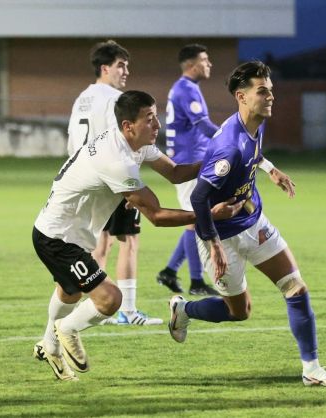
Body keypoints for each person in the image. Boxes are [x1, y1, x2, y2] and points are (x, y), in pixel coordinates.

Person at [32, 90, 243, 380]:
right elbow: (156, 215)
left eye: (156, 116)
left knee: (71, 290)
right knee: (109, 300)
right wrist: (212, 215)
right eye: (150, 119)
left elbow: (176, 173)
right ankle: (65, 330)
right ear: (128, 126)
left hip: (67, 232)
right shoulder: (117, 161)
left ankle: (50, 344)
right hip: (56, 237)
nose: (157, 124)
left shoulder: (136, 144)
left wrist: (218, 164)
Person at [167, 61, 326, 387]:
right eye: (262, 92)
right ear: (242, 96)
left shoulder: (255, 124)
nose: (270, 97)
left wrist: (270, 170)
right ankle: (184, 310)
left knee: (296, 287)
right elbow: (198, 199)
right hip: (222, 237)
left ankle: (312, 369)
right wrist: (214, 246)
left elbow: (255, 151)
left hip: (254, 221)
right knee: (239, 311)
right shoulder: (228, 148)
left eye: (271, 91)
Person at [65, 40, 161, 326]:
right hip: (113, 180)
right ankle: (128, 311)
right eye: (121, 65)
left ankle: (98, 303)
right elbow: (120, 139)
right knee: (128, 240)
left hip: (86, 180)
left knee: (100, 242)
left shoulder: (81, 98)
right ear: (105, 68)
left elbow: (72, 141)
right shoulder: (113, 100)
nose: (126, 71)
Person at [155, 44, 221, 296]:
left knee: (198, 217)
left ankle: (171, 271)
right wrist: (231, 140)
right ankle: (196, 282)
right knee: (195, 221)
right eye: (205, 60)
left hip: (192, 161)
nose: (209, 64)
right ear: (193, 65)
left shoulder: (185, 88)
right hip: (188, 164)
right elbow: (203, 126)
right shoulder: (186, 89)